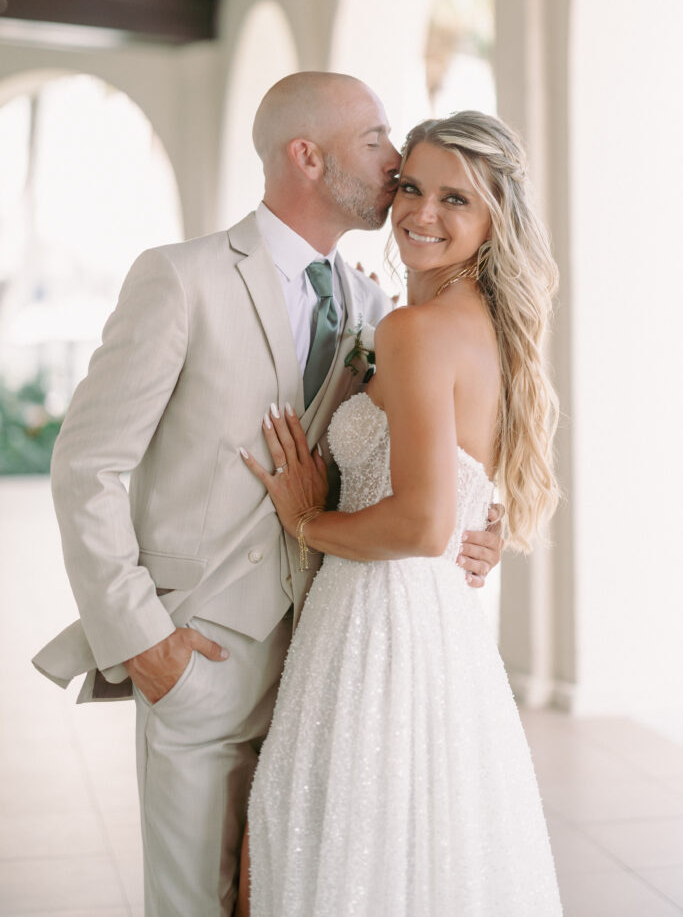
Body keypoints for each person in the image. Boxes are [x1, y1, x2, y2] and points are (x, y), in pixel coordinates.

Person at [32, 73, 504, 917]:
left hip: (337, 666)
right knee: (194, 904)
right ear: (306, 157)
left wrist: (480, 520)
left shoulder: (371, 302)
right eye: (377, 140)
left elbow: (413, 459)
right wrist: (147, 642)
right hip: (200, 660)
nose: (395, 161)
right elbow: (86, 467)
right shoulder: (181, 279)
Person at [239, 110, 563, 916]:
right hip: (437, 628)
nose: (422, 212)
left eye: (457, 200)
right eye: (412, 188)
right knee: (421, 848)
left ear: (495, 220)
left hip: (375, 623)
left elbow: (422, 524)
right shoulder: (472, 325)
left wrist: (307, 522)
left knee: (339, 843)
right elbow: (454, 500)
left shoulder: (416, 330)